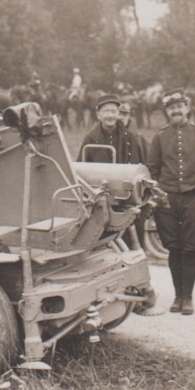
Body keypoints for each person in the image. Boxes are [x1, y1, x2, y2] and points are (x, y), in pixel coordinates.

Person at [78, 95, 158, 312]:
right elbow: (82, 174)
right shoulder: (90, 140)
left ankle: (140, 294)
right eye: (106, 111)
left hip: (130, 202)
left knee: (135, 247)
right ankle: (105, 298)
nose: (111, 115)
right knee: (105, 251)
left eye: (114, 111)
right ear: (98, 115)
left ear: (119, 113)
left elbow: (145, 170)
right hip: (103, 204)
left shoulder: (133, 138)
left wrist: (144, 200)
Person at [148, 91, 195, 314]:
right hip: (167, 200)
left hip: (192, 197)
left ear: (187, 108)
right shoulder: (159, 137)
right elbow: (152, 169)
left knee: (189, 248)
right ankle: (177, 296)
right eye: (171, 108)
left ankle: (187, 297)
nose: (176, 111)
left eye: (180, 106)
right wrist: (158, 194)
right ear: (167, 112)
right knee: (173, 248)